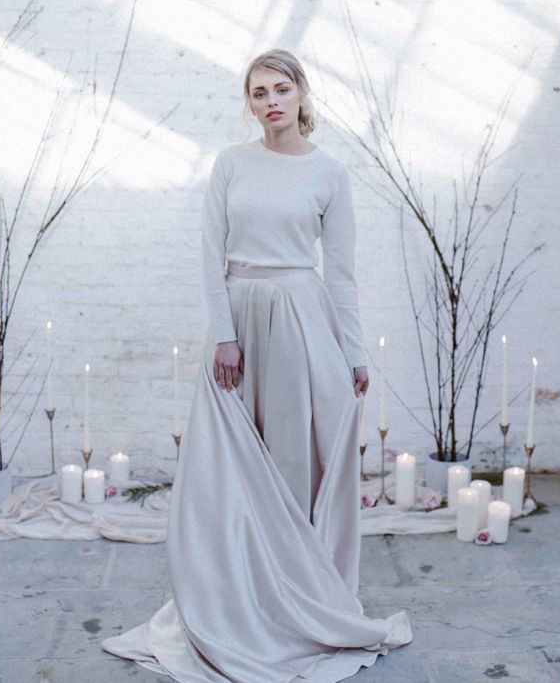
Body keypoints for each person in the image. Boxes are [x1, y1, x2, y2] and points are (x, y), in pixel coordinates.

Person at [101, 48, 413, 682]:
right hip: (241, 318)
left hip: (304, 319)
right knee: (229, 471)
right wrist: (224, 336)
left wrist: (353, 352)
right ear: (250, 104)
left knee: (295, 464)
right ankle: (234, 597)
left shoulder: (331, 174)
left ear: (302, 93)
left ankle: (294, 598)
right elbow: (209, 255)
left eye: (280, 88)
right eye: (257, 93)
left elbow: (343, 275)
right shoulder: (231, 165)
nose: (269, 101)